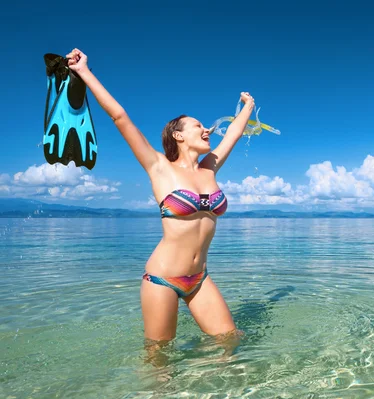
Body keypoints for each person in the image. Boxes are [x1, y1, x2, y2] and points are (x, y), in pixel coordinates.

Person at [66, 48, 251, 347]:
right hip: (161, 279)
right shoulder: (158, 167)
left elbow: (233, 135)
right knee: (159, 362)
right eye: (197, 126)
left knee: (230, 343)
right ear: (178, 135)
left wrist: (248, 106)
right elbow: (119, 116)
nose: (207, 129)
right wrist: (84, 71)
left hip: (199, 279)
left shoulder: (210, 168)